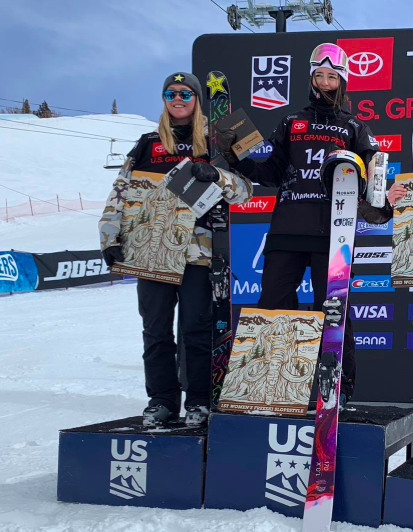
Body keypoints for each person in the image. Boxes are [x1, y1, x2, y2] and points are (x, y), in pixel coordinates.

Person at [219, 44, 406, 407]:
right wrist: (233, 154)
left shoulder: (354, 125)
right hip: (287, 227)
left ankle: (339, 388)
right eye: (319, 75)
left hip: (332, 231)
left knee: (333, 311)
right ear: (310, 78)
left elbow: (371, 179)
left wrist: (383, 199)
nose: (324, 82)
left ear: (343, 80)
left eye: (332, 76)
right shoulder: (291, 121)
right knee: (272, 304)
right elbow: (269, 173)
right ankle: (270, 385)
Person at [98, 72, 253, 427]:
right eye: (170, 93)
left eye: (185, 93)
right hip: (150, 252)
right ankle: (162, 399)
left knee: (196, 331)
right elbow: (120, 191)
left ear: (198, 98)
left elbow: (246, 191)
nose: (177, 98)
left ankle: (198, 400)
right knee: (155, 330)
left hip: (197, 253)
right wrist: (110, 238)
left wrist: (217, 175)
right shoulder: (147, 143)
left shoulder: (215, 144)